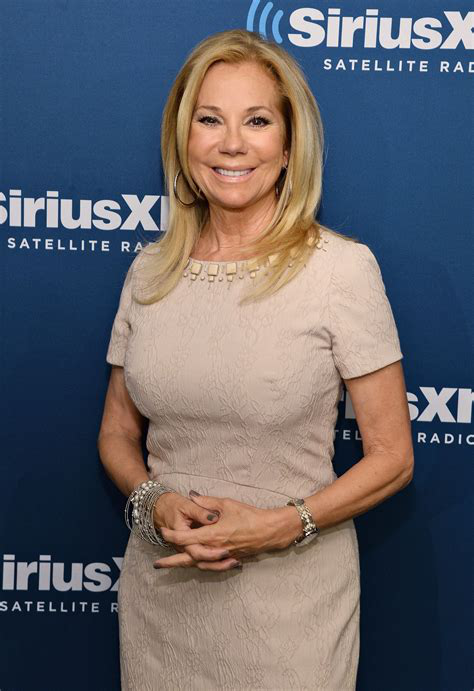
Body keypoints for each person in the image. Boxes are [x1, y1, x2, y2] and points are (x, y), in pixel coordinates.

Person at [98, 28, 414, 691]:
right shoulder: (149, 271)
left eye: (258, 121)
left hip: (291, 610)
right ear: (183, 139)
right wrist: (154, 502)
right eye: (209, 119)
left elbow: (392, 456)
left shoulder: (340, 271)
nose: (232, 143)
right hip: (164, 599)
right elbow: (118, 434)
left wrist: (277, 527)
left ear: (290, 144)